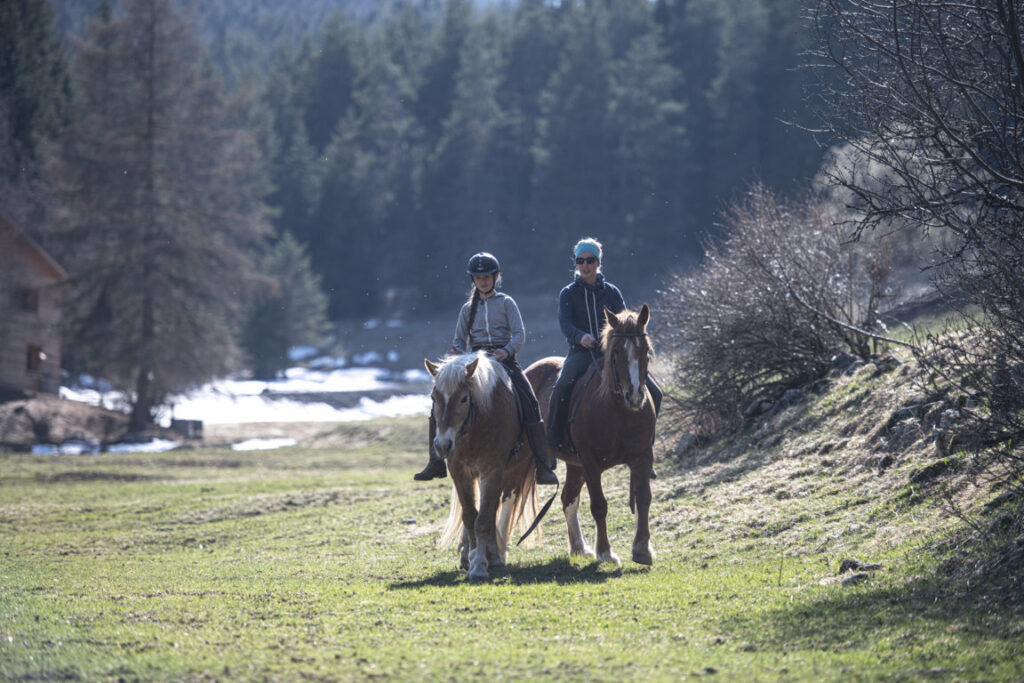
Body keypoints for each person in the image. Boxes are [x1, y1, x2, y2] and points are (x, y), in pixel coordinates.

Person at [414, 252, 559, 485]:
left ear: (495, 277)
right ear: (473, 280)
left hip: (504, 359)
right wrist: (456, 355)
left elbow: (520, 334)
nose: (483, 281)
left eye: (487, 276)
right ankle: (435, 462)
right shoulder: (466, 309)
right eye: (478, 277)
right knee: (439, 401)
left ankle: (543, 465)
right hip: (474, 362)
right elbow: (459, 340)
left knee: (530, 401)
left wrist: (507, 350)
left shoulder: (506, 303)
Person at [546, 238, 663, 474]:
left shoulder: (612, 292)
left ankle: (645, 447)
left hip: (613, 353)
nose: (585, 265)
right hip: (581, 352)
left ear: (598, 262)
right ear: (576, 264)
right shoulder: (568, 293)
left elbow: (624, 320)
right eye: (580, 261)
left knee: (656, 392)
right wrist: (581, 337)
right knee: (560, 388)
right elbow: (564, 323)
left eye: (590, 260)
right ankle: (552, 448)